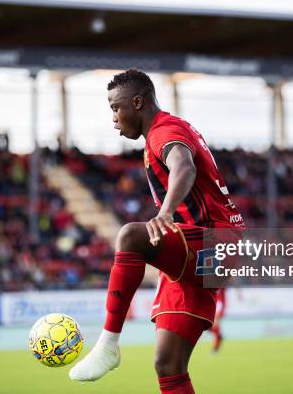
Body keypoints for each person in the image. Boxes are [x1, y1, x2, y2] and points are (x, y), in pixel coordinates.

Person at [69, 69, 244, 393]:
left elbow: (184, 166)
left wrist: (163, 213)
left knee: (131, 237)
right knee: (168, 364)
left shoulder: (164, 131)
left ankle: (108, 344)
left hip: (214, 243)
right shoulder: (163, 133)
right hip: (204, 250)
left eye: (115, 107)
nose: (114, 118)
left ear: (137, 102)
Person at [210, 288, 226, 353]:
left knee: (215, 324)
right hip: (214, 301)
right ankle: (219, 336)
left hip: (218, 303)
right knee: (211, 326)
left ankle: (216, 347)